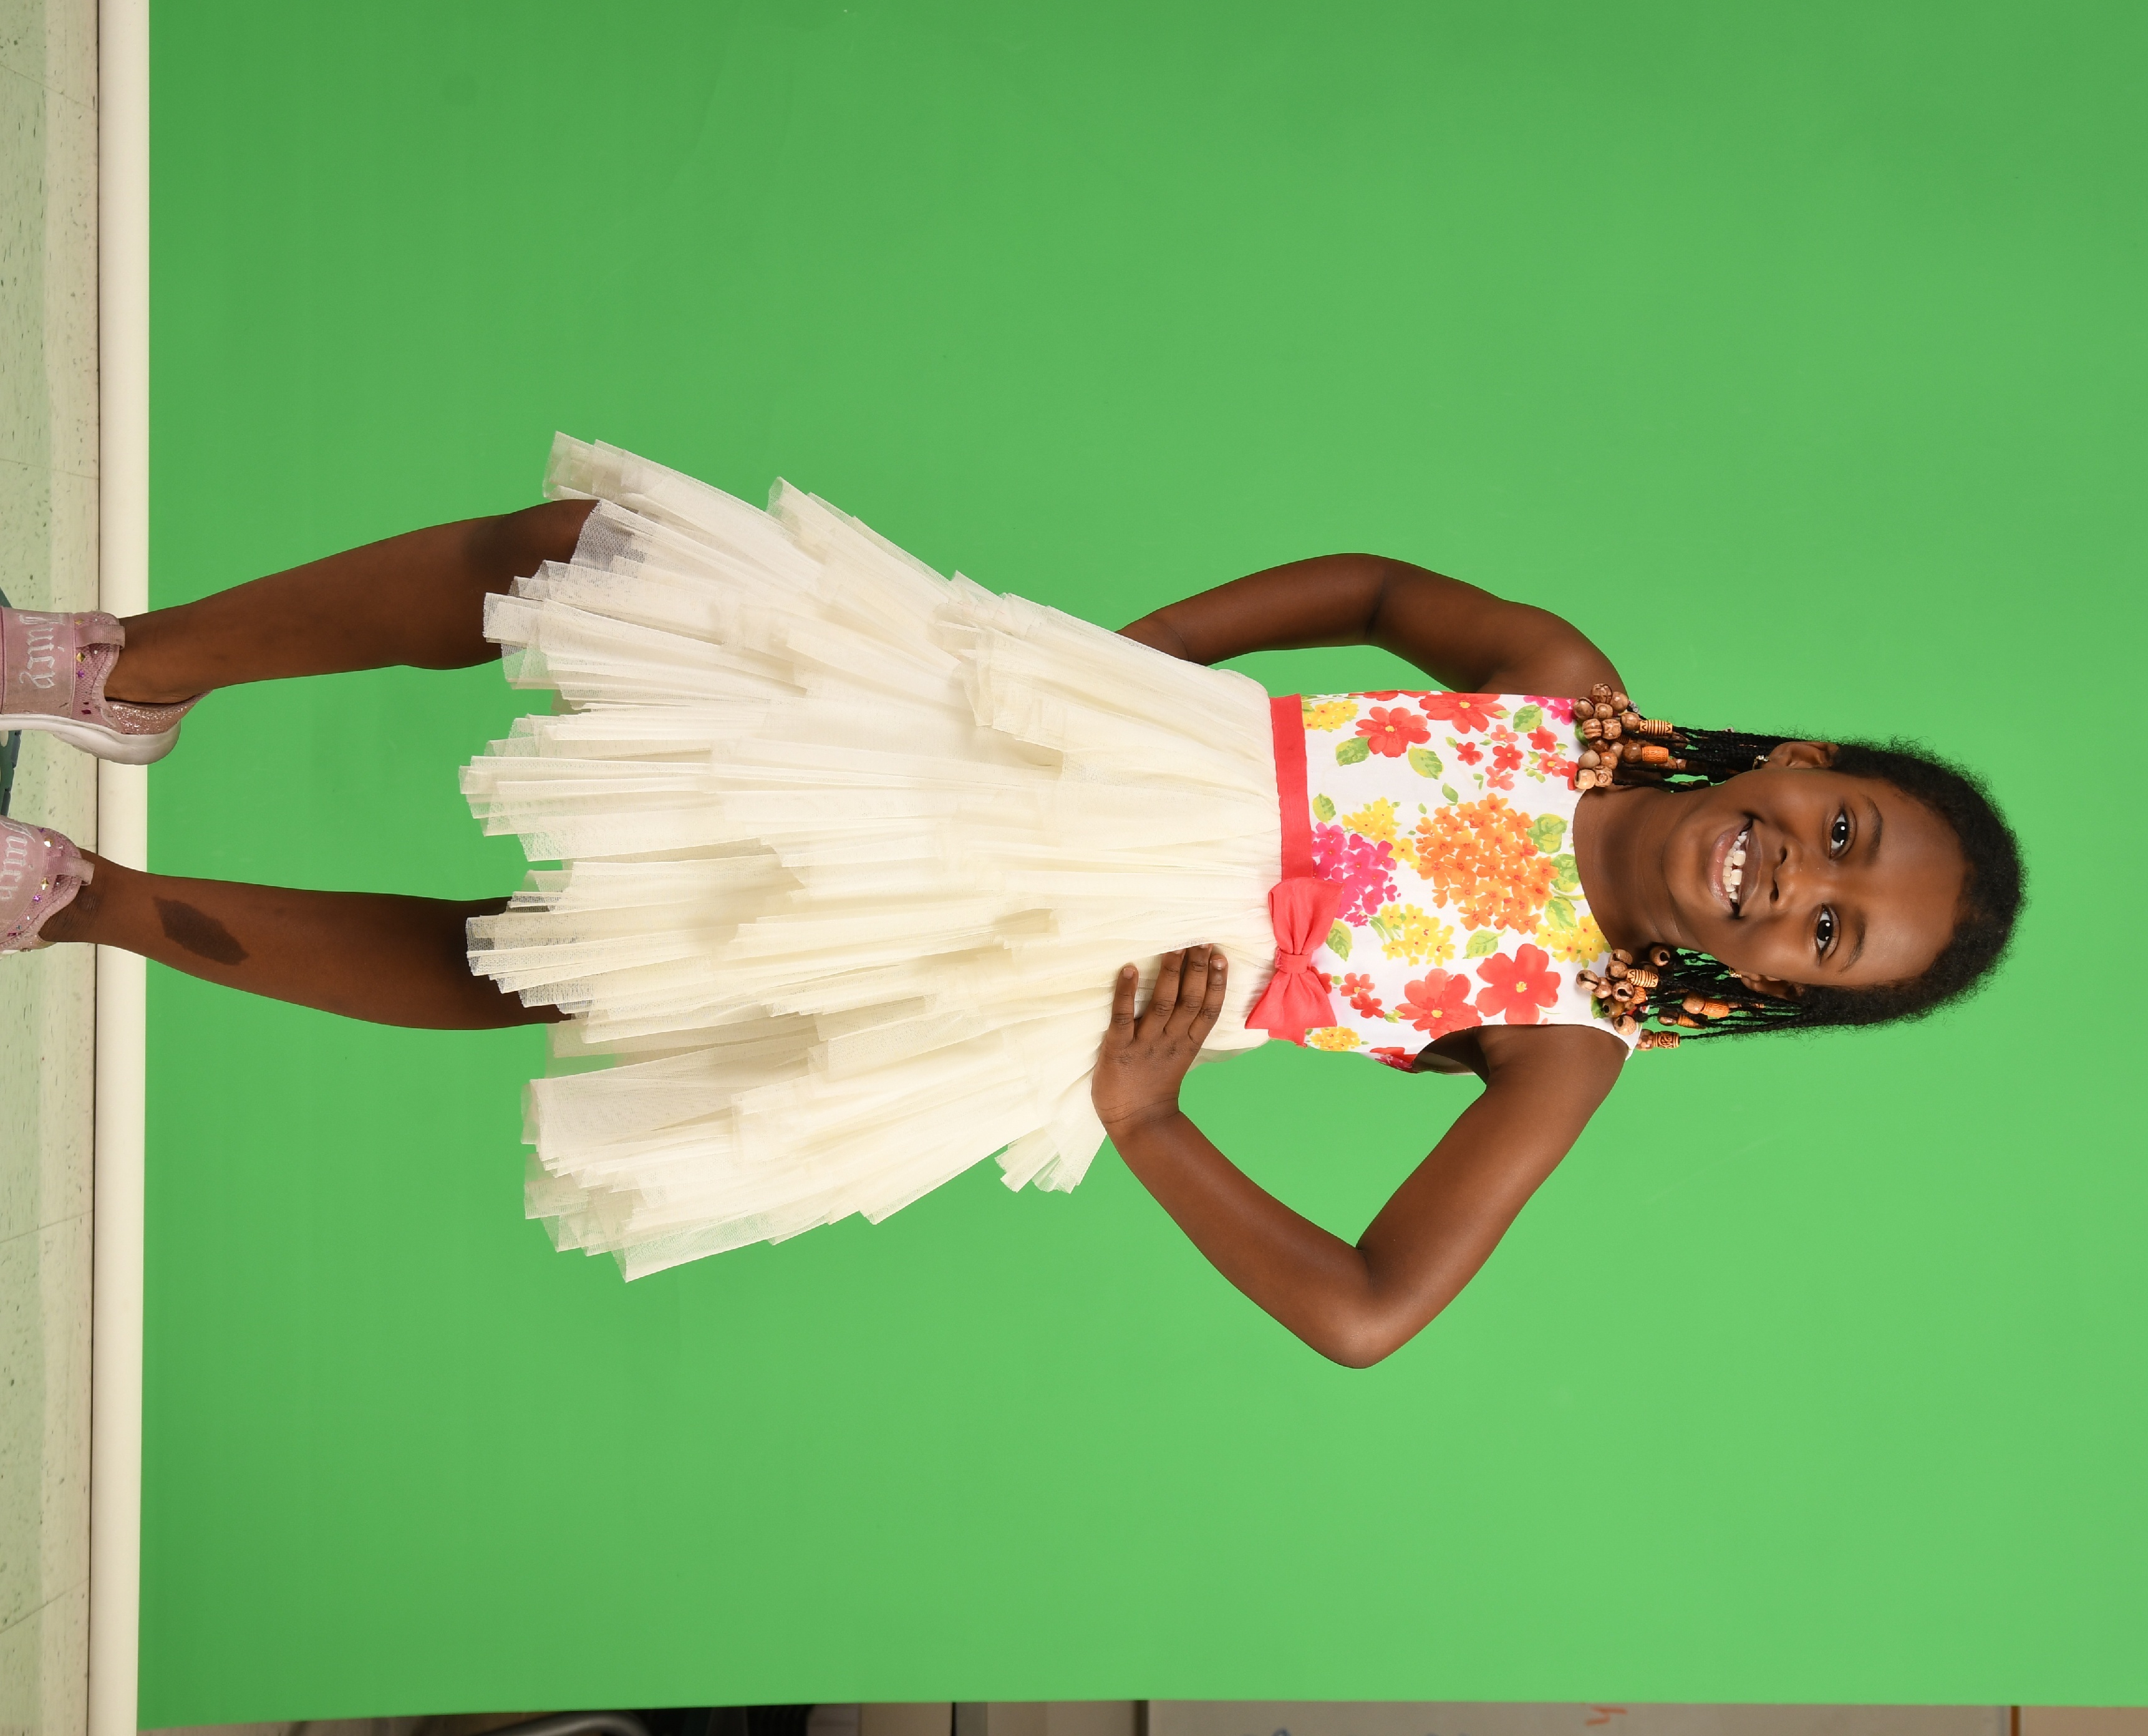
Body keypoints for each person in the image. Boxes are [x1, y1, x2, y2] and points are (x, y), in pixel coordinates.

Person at [0, 439, 2023, 1363]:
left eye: (1829, 934)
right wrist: (1129, 661)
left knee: (558, 969)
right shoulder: (1561, 696)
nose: (1799, 878)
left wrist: (1149, 1122)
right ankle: (124, 670)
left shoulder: (1567, 1042)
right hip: (1012, 740)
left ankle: (85, 898)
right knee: (595, 558)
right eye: (1844, 829)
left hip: (1033, 961)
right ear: (1804, 762)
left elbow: (1369, 1314)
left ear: (1780, 988)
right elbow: (1381, 589)